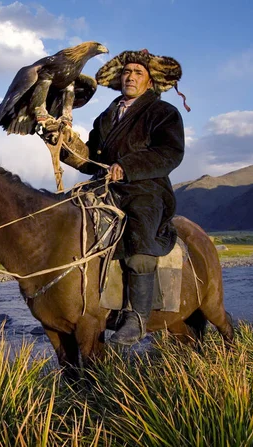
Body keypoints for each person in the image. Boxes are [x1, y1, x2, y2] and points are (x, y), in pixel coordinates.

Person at [39, 49, 188, 345]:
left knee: (140, 237)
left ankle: (137, 317)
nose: (130, 77)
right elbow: (90, 159)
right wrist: (61, 142)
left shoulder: (164, 113)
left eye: (138, 73)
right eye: (127, 72)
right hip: (105, 188)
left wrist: (128, 166)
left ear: (150, 81)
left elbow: (170, 153)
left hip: (146, 189)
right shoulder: (107, 115)